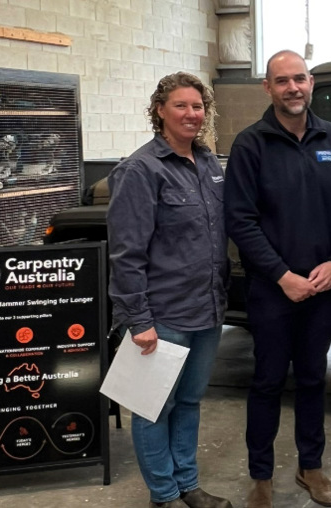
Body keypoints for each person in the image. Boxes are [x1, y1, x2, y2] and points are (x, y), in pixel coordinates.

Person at [224, 51, 331, 508]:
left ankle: (310, 467)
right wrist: (281, 275)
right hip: (272, 290)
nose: (292, 88)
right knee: (268, 380)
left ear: (311, 82)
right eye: (282, 81)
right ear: (268, 87)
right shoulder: (250, 144)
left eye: (299, 78)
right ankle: (261, 475)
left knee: (314, 377)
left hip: (322, 288)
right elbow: (240, 221)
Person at [107, 72, 232, 508]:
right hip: (162, 315)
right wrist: (137, 320)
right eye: (181, 105)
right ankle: (163, 494)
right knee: (153, 406)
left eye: (198, 106)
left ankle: (188, 485)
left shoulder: (210, 164)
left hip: (207, 309)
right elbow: (126, 254)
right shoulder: (140, 170)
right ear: (159, 110)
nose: (191, 114)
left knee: (190, 402)